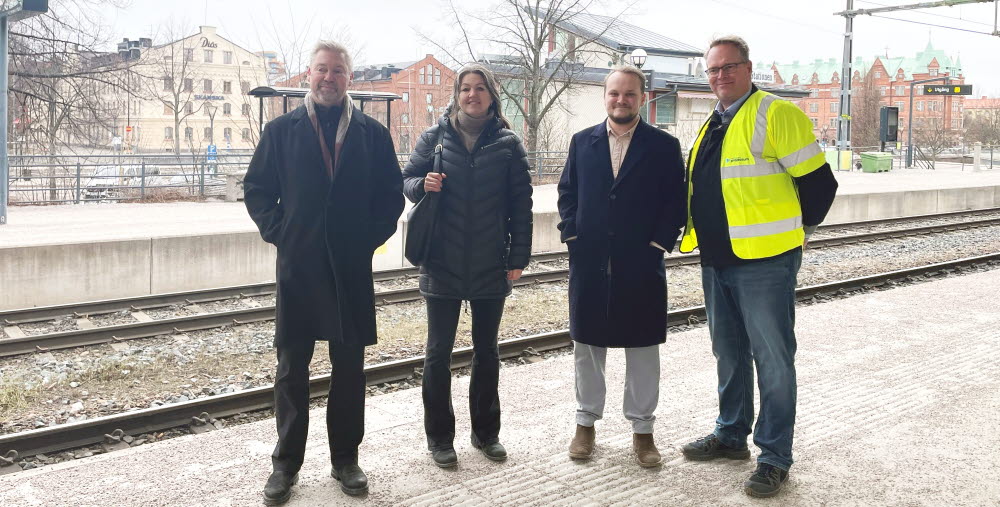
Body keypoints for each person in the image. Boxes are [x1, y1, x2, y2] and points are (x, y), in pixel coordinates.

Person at [678, 36, 838, 498]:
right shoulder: (716, 121)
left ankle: (773, 455)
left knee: (772, 359)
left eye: (730, 67)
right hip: (718, 259)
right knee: (728, 353)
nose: (720, 76)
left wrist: (795, 234)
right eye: (713, 70)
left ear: (750, 69)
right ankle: (731, 435)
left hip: (765, 263)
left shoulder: (775, 113)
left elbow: (819, 186)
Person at [244, 40, 403, 504]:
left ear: (348, 79)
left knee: (350, 368)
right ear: (307, 75)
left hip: (349, 269)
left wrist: (366, 240)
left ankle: (345, 460)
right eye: (321, 70)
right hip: (299, 265)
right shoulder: (282, 131)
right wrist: (283, 233)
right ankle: (286, 465)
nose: (328, 78)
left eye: (337, 71)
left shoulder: (372, 135)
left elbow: (391, 195)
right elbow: (256, 190)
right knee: (292, 369)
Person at [401, 63, 533, 468]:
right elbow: (405, 181)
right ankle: (440, 439)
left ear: (491, 95)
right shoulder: (434, 137)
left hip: (490, 264)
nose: (472, 95)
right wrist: (422, 185)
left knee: (487, 352)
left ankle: (486, 433)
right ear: (456, 95)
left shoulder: (509, 144)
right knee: (438, 353)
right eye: (465, 89)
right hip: (441, 262)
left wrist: (518, 258)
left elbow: (520, 207)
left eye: (479, 89)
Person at [557, 65, 687, 468]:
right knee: (588, 348)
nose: (621, 100)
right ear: (605, 96)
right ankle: (585, 424)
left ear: (642, 98)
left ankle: (643, 431)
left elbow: (675, 202)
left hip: (641, 264)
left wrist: (657, 245)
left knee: (643, 350)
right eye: (614, 93)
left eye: (629, 94)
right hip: (590, 262)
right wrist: (573, 237)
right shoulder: (583, 142)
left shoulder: (664, 145)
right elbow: (567, 193)